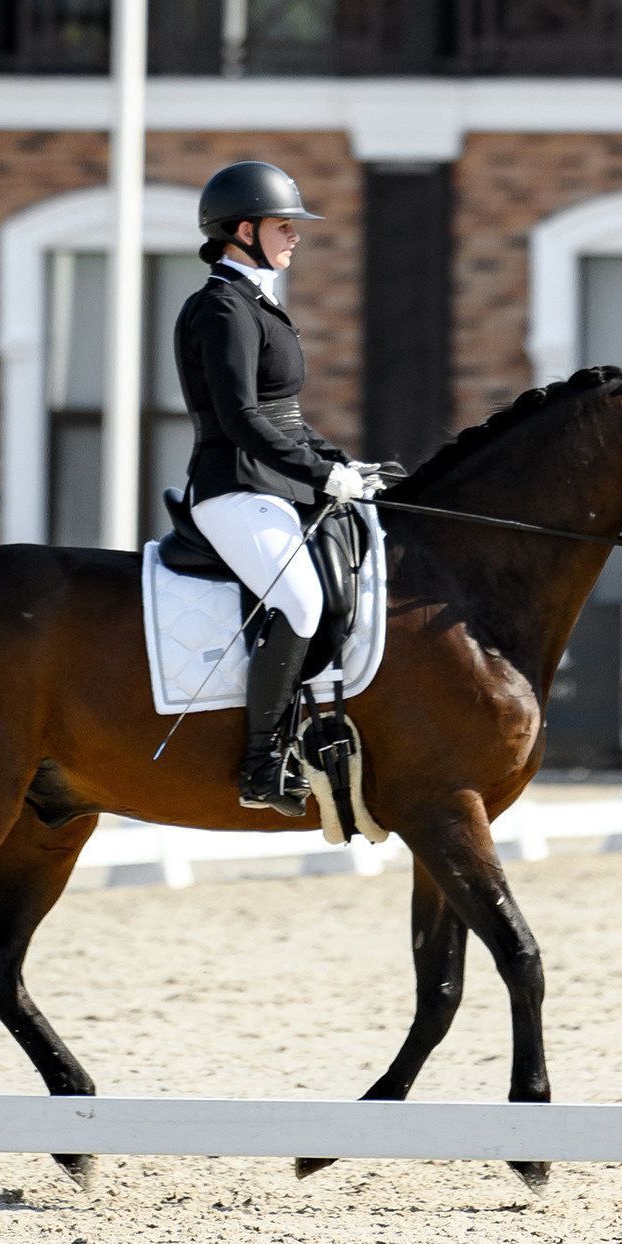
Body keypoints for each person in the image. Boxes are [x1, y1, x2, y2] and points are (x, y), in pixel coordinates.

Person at [173, 159, 385, 810]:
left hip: (273, 483)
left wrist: (343, 463)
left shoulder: (258, 303)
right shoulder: (222, 308)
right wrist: (321, 474)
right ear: (243, 230)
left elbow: (284, 415)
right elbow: (242, 419)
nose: (295, 235)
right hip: (232, 485)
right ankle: (261, 765)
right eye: (282, 225)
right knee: (300, 601)